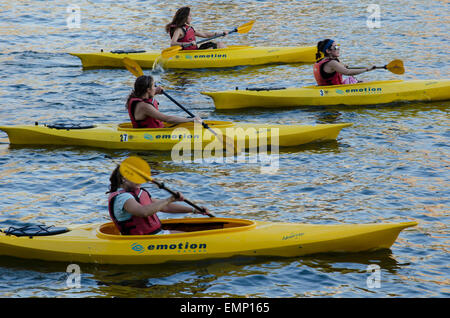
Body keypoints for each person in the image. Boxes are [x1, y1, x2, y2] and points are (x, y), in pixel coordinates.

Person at [107, 164, 210, 235]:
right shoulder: (123, 197)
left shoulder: (138, 193)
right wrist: (170, 199)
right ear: (124, 178)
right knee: (188, 237)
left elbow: (165, 207)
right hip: (141, 241)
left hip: (153, 236)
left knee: (186, 234)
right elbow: (143, 212)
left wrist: (194, 210)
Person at [126, 75, 201, 128]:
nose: (155, 88)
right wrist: (191, 119)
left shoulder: (137, 96)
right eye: (153, 86)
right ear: (148, 90)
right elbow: (167, 119)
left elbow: (148, 94)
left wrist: (155, 90)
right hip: (148, 135)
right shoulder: (144, 106)